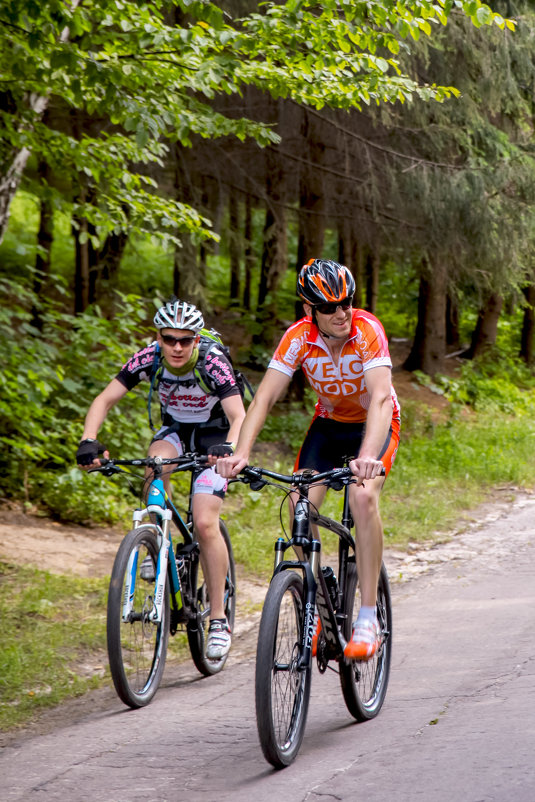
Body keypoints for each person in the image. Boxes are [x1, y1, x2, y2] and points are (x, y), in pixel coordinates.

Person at [217, 258, 400, 661]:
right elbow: (264, 398)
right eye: (329, 306)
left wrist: (369, 455)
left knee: (363, 497)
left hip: (374, 424)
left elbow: (382, 398)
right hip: (329, 425)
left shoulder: (367, 330)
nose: (342, 312)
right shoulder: (298, 338)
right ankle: (318, 608)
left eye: (347, 302)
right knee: (300, 507)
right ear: (309, 310)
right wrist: (241, 453)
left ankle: (368, 614)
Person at [76, 298, 245, 660]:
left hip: (215, 437)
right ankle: (156, 539)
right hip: (177, 432)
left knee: (204, 521)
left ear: (197, 339)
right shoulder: (149, 358)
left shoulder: (212, 362)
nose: (178, 347)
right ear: (159, 337)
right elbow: (104, 399)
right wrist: (88, 440)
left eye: (186, 339)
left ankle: (218, 620)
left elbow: (239, 414)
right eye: (170, 339)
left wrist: (228, 448)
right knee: (154, 464)